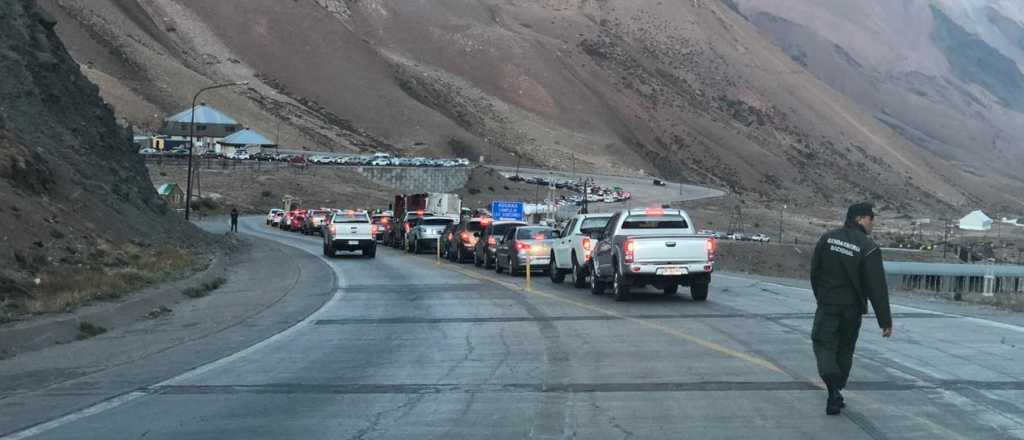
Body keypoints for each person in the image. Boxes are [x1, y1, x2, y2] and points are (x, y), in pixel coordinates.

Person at [809, 202, 892, 415]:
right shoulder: (868, 246)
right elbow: (877, 287)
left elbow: (815, 272)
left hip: (828, 304)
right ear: (861, 219)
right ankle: (836, 389)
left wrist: (822, 297)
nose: (873, 223)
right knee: (845, 349)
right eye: (871, 219)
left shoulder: (827, 239)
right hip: (852, 309)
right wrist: (885, 321)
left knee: (824, 344)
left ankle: (832, 387)